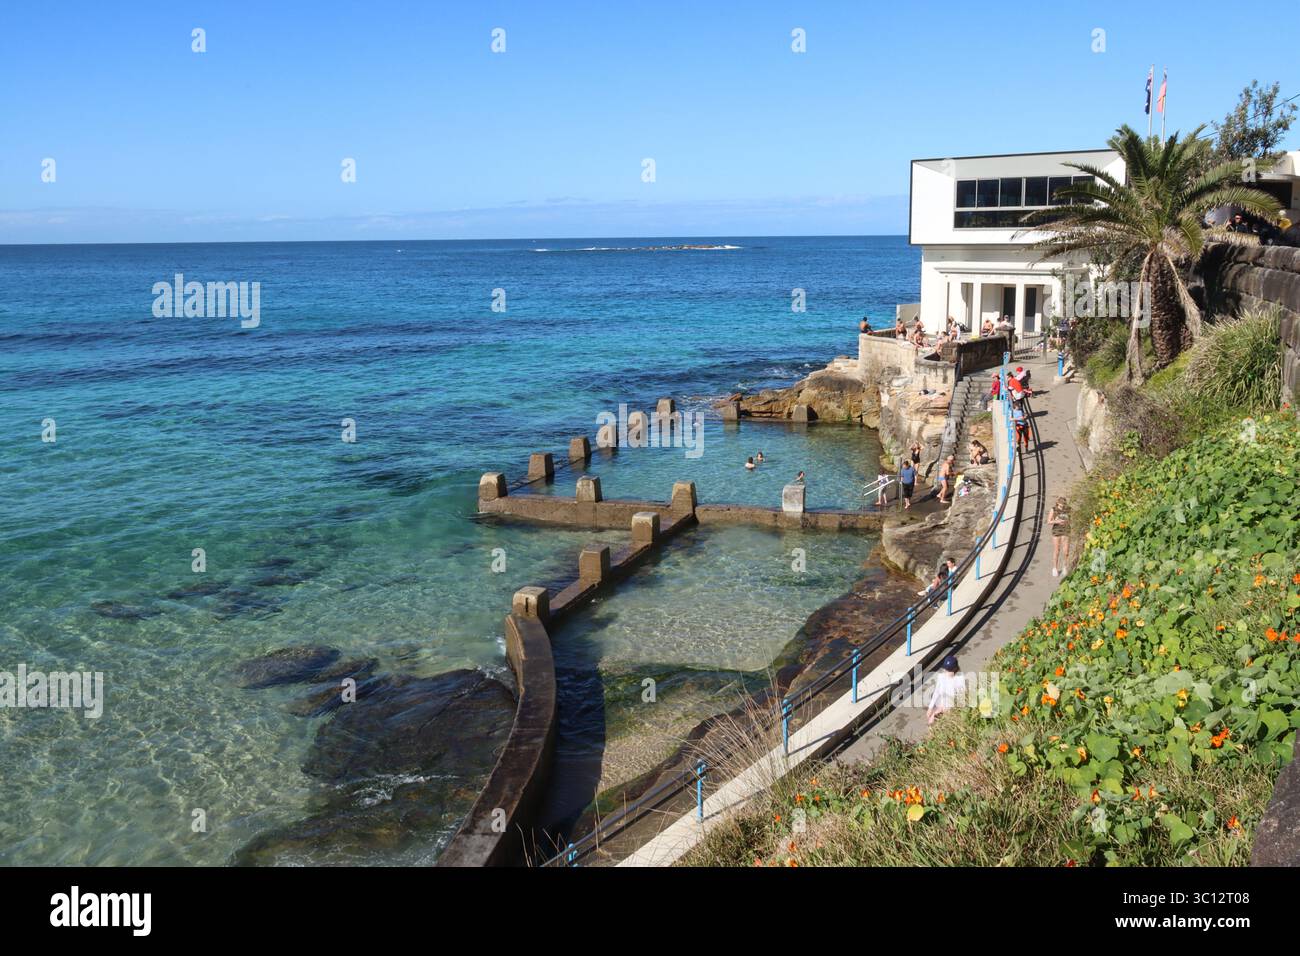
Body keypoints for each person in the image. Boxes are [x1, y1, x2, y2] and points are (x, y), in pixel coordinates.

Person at [927, 655, 965, 725]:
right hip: (941, 705)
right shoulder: (941, 676)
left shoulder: (960, 680)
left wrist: (949, 710)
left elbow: (960, 700)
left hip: (952, 709)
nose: (946, 671)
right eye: (945, 669)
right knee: (931, 722)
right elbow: (937, 692)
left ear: (955, 669)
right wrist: (930, 707)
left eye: (948, 670)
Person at [1048, 496, 1071, 577]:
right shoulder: (1053, 509)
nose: (1062, 506)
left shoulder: (1068, 509)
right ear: (1057, 503)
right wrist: (1057, 521)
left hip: (1066, 530)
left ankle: (1065, 567)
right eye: (1061, 505)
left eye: (1064, 505)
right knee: (1057, 550)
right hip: (1057, 531)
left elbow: (1071, 519)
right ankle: (1055, 568)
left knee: (1066, 551)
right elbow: (1049, 521)